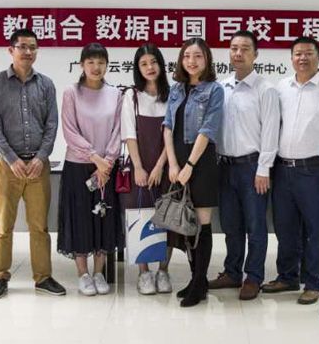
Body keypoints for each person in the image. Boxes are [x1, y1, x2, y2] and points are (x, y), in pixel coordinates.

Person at [262, 36, 319, 305]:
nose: (303, 58)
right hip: (283, 169)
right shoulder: (282, 87)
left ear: (318, 57)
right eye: (298, 54)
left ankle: (313, 282)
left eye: (308, 53)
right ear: (291, 58)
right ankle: (288, 276)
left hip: (315, 170)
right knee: (285, 227)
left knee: (316, 230)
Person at [0, 28, 65, 299]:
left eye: (33, 47)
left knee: (39, 227)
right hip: (7, 167)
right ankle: (0, 277)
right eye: (23, 47)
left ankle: (43, 277)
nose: (28, 52)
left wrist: (41, 157)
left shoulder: (46, 84)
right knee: (3, 225)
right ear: (11, 50)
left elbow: (51, 125)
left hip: (38, 167)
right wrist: (11, 158)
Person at [208, 30, 280, 300]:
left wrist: (264, 168)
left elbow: (271, 132)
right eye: (234, 48)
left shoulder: (265, 89)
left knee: (255, 225)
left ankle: (254, 276)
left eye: (245, 49)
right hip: (224, 166)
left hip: (252, 167)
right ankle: (232, 272)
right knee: (231, 224)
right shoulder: (221, 88)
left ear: (256, 54)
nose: (238, 53)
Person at [57, 43, 123, 296]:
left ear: (107, 65)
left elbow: (118, 130)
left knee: (104, 218)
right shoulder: (71, 93)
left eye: (101, 62)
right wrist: (95, 157)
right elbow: (69, 131)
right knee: (80, 219)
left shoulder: (115, 94)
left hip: (107, 168)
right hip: (79, 166)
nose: (96, 67)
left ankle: (99, 272)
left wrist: (108, 161)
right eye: (91, 62)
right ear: (82, 65)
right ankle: (83, 274)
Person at [163, 38, 224, 307]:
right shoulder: (176, 89)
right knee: (185, 223)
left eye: (198, 56)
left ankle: (200, 283)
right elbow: (167, 127)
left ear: (207, 59)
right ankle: (194, 278)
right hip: (178, 163)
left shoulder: (214, 90)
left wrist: (189, 165)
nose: (192, 61)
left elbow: (208, 129)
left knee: (201, 224)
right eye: (187, 56)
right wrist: (173, 164)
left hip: (202, 162)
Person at [120, 43, 174, 295]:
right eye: (144, 64)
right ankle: (143, 272)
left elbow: (171, 133)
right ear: (137, 68)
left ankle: (163, 270)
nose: (150, 67)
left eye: (153, 62)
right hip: (139, 167)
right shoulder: (131, 96)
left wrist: (161, 165)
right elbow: (129, 134)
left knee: (168, 217)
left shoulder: (173, 94)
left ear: (161, 64)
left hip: (167, 166)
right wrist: (139, 167)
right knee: (139, 215)